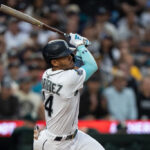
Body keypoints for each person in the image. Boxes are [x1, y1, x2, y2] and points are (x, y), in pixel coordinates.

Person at [34, 33, 105, 150]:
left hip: (74, 137)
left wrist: (81, 48)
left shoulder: (47, 74)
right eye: (65, 56)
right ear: (54, 62)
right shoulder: (68, 79)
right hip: (55, 144)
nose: (70, 57)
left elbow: (74, 66)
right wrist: (80, 46)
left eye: (69, 54)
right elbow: (92, 66)